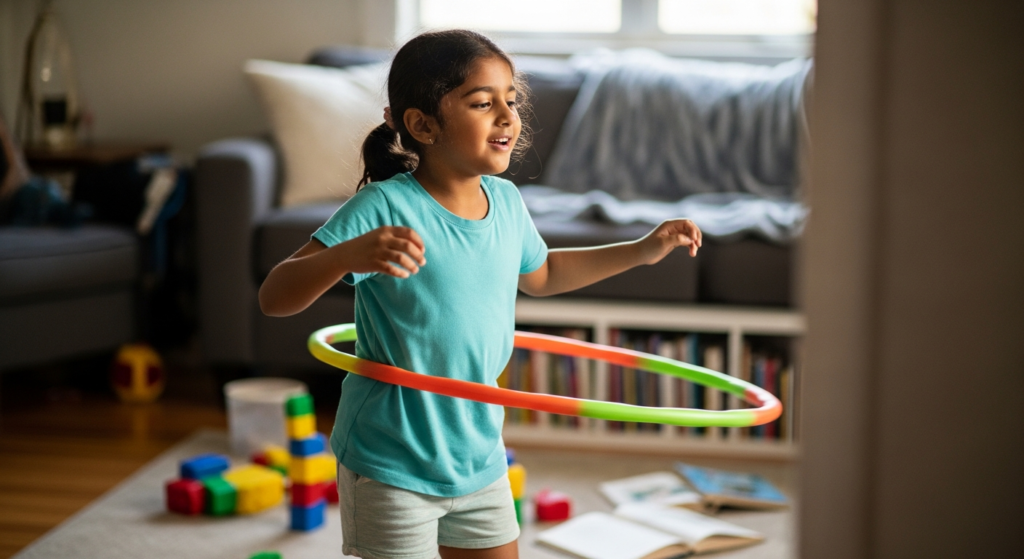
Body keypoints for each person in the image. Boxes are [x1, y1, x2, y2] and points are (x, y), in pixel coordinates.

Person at [258, 29, 702, 559]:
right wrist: (345, 256)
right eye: (482, 102)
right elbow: (275, 297)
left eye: (510, 101)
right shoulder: (383, 208)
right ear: (422, 125)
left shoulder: (507, 202)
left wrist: (640, 250)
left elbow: (543, 275)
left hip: (478, 454)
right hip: (393, 458)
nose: (508, 116)